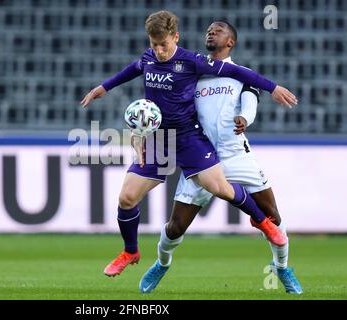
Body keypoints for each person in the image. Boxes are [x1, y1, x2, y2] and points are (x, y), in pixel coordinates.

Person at [80, 10, 297, 278]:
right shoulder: (148, 59)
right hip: (160, 139)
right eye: (154, 44)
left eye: (164, 44)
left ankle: (265, 224)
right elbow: (130, 70)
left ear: (176, 37)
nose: (159, 50)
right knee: (127, 198)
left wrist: (273, 88)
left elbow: (236, 71)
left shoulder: (192, 62)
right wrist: (103, 88)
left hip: (188, 137)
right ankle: (130, 251)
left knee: (220, 187)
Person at [139, 20, 303, 294]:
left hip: (236, 155)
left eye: (219, 30)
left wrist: (244, 118)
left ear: (231, 41)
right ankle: (161, 263)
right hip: (201, 156)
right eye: (208, 30)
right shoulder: (194, 72)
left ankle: (283, 268)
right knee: (176, 226)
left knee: (272, 216)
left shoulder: (241, 74)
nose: (211, 32)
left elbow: (251, 100)